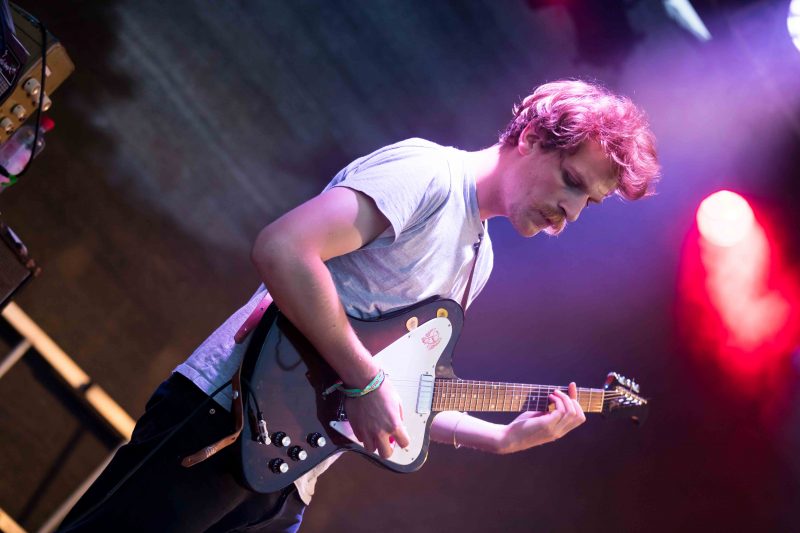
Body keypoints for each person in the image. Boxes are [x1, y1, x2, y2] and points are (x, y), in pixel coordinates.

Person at [59, 79, 659, 532]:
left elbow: (403, 395)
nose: (572, 211)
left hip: (288, 476)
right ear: (530, 138)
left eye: (590, 202)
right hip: (224, 418)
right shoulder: (427, 174)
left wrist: (501, 440)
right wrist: (366, 380)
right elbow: (284, 249)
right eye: (573, 181)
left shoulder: (480, 260)